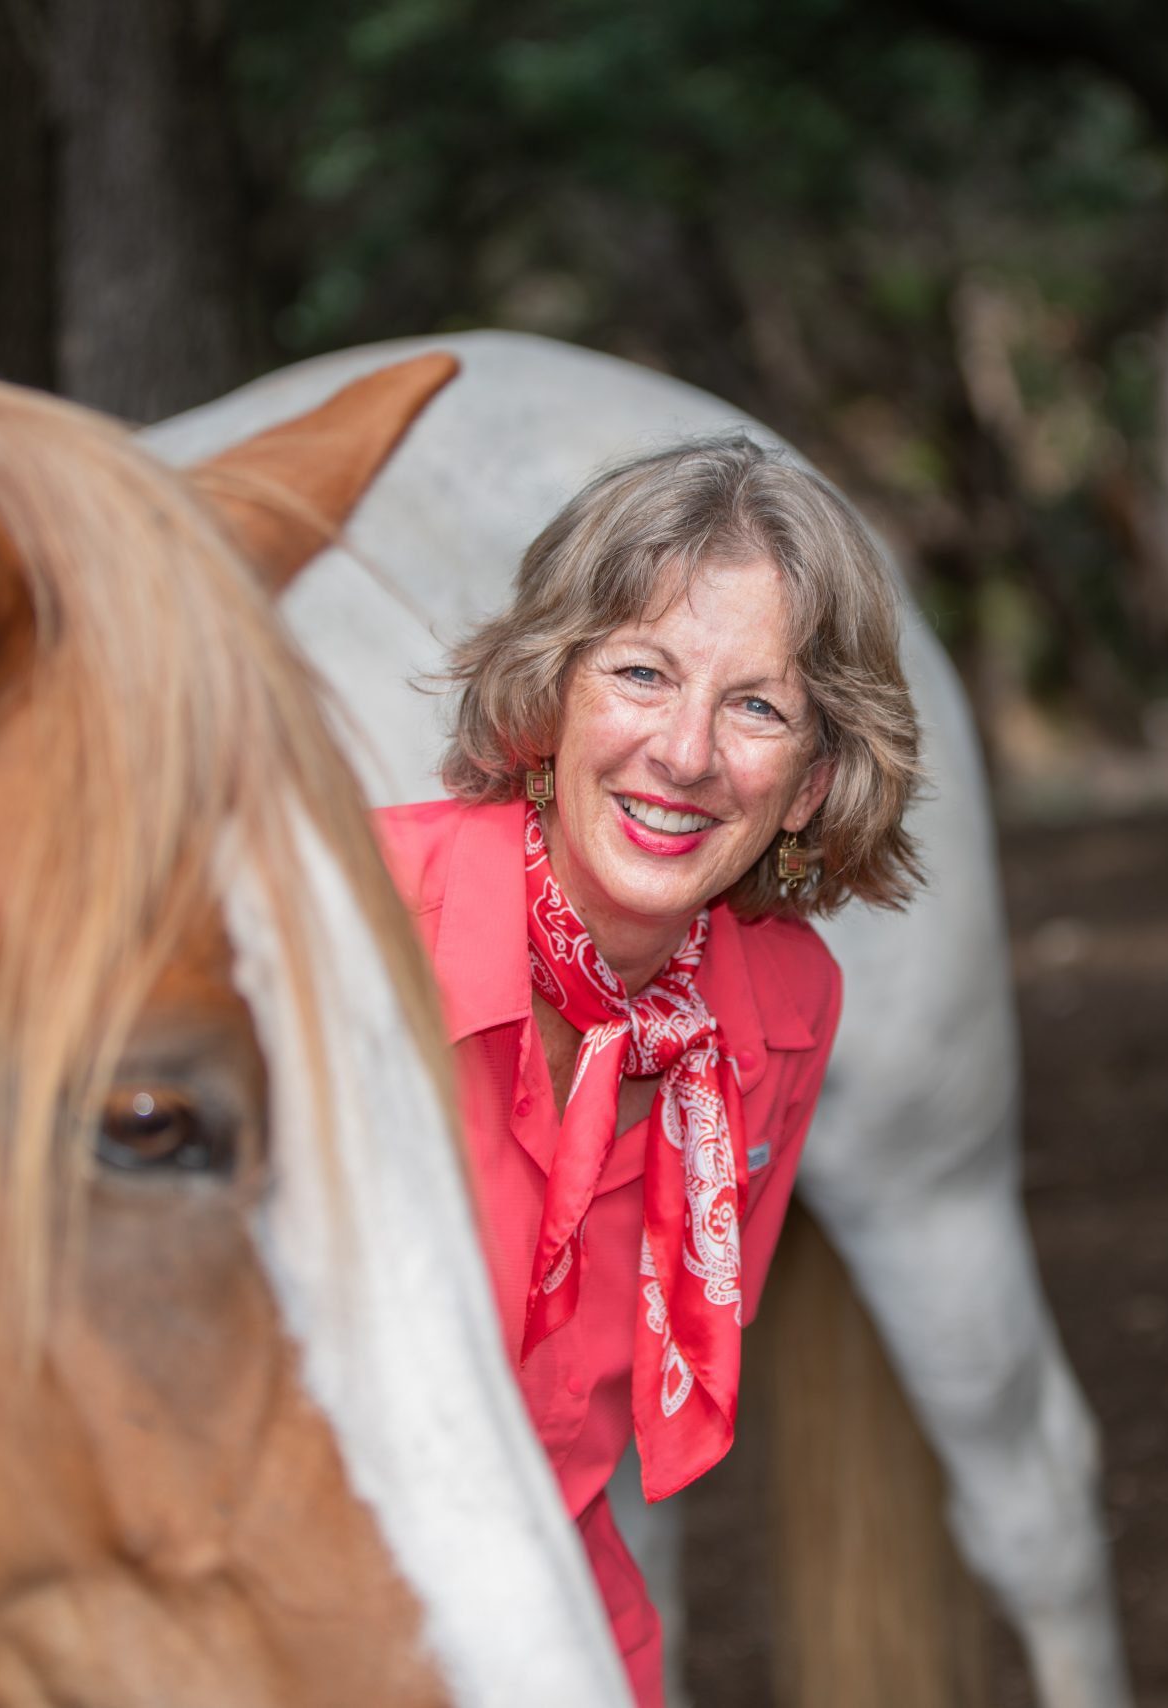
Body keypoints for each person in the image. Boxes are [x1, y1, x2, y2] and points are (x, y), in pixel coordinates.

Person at [372, 436, 923, 1705]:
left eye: (756, 705)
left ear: (810, 782)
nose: (683, 752)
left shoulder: (783, 1004)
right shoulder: (335, 920)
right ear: (545, 695)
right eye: (640, 672)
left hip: (556, 1629)